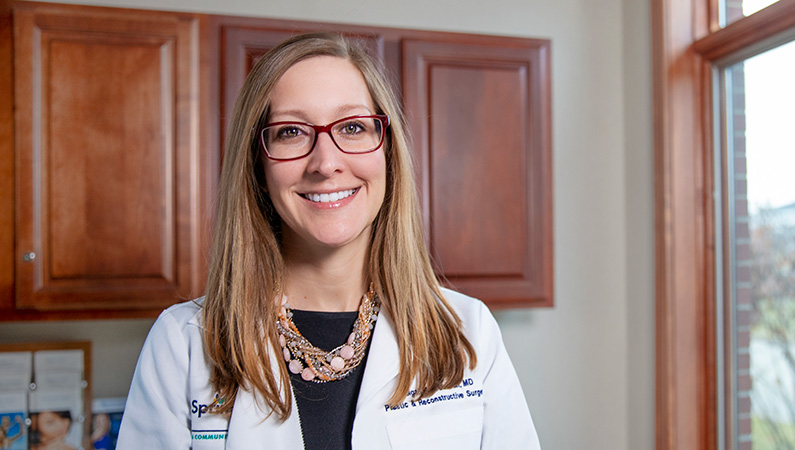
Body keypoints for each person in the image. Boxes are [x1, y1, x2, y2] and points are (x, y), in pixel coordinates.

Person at [117, 32, 541, 449]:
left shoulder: (469, 331)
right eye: (291, 132)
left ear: (387, 153)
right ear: (258, 167)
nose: (326, 163)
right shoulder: (184, 344)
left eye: (353, 126)